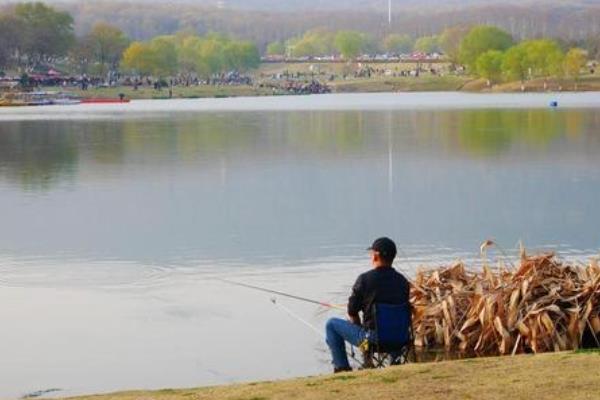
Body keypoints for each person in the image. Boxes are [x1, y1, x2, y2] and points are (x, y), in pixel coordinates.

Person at [325, 237, 410, 373]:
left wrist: (357, 326)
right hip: (401, 338)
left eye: (371, 253)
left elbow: (352, 310)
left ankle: (342, 369)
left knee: (331, 324)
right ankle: (396, 363)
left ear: (376, 256)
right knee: (393, 323)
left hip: (373, 340)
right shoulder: (403, 282)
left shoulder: (365, 280)